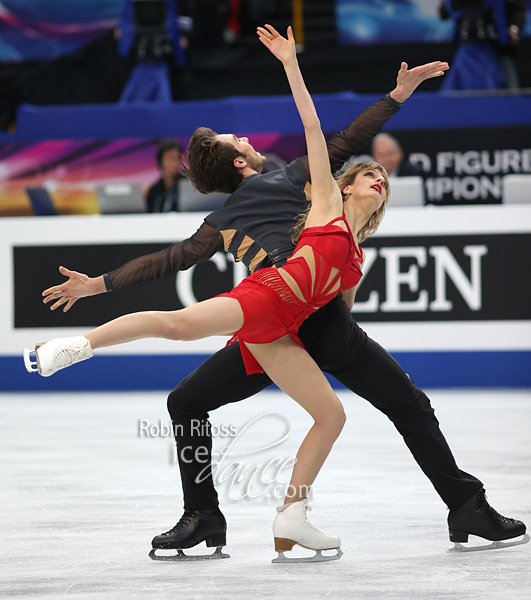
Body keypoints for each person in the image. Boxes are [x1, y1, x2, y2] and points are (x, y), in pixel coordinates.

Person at [35, 40, 526, 562]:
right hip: (287, 312)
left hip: (283, 314)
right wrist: (394, 98)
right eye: (238, 138)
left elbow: (171, 258)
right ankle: (458, 505)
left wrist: (99, 285)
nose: (245, 138)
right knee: (400, 405)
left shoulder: (224, 220)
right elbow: (341, 138)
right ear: (241, 160)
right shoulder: (294, 180)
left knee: (191, 400)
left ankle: (215, 515)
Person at [146, 139, 185, 212]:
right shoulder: (154, 190)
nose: (175, 164)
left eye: (178, 158)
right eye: (171, 159)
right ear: (161, 161)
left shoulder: (186, 186)